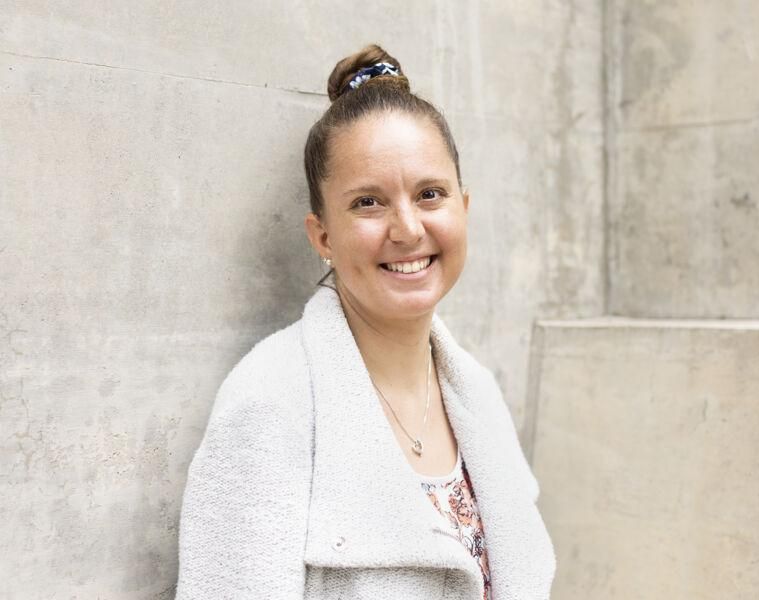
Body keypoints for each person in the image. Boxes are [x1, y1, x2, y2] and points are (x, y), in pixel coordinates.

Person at [174, 44, 556, 600]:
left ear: (463, 210)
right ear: (322, 236)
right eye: (369, 203)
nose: (407, 229)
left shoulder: (478, 394)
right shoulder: (269, 403)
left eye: (430, 194)